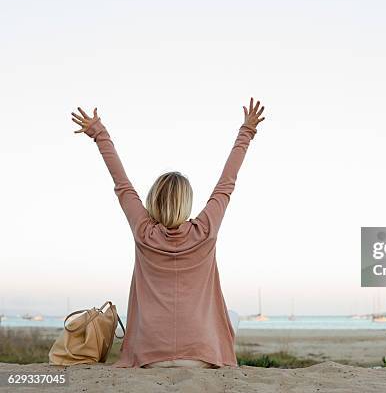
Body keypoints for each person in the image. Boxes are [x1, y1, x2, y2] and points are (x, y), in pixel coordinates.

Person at [70, 98, 265, 368]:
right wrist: (247, 131)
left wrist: (99, 133)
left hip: (150, 359)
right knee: (232, 315)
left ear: (153, 200)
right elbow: (226, 184)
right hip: (201, 358)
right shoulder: (205, 229)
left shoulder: (143, 231)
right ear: (186, 202)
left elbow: (121, 183)